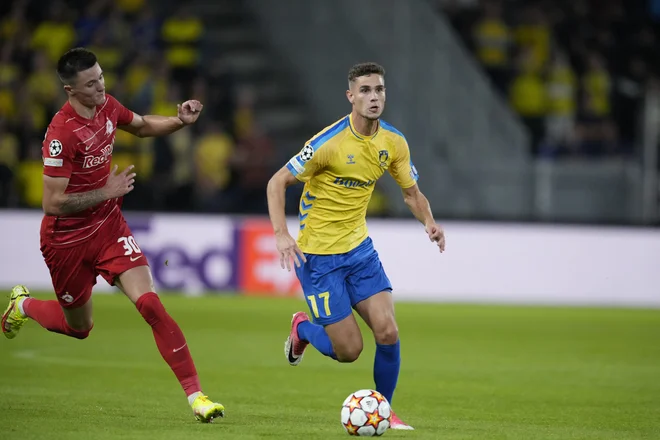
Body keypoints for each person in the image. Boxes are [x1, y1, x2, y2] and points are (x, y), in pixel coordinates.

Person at [1, 48, 225, 423]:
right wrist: (106, 191)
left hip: (107, 227)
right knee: (80, 328)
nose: (101, 86)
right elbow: (52, 204)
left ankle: (197, 396)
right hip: (66, 240)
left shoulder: (106, 106)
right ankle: (22, 306)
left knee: (151, 304)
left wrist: (179, 122)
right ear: (70, 90)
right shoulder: (60, 134)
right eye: (91, 84)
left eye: (102, 76)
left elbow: (139, 125)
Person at [266, 62, 445, 430]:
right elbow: (277, 182)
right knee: (348, 351)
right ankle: (302, 328)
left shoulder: (393, 142)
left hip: (359, 251)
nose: (374, 97)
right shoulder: (328, 143)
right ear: (351, 97)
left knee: (388, 331)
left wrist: (429, 221)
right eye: (365, 90)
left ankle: (385, 409)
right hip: (317, 257)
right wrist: (281, 233)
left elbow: (411, 193)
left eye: (379, 89)